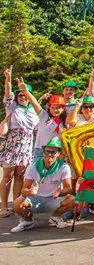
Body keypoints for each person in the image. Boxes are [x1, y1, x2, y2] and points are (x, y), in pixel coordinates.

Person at [9, 138, 73, 232]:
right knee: (17, 203)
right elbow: (24, 189)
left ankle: (55, 217)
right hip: (35, 199)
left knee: (73, 200)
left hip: (52, 199)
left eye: (53, 152)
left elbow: (69, 188)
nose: (49, 154)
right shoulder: (33, 166)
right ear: (43, 153)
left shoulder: (64, 167)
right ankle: (28, 221)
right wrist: (29, 192)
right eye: (47, 151)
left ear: (59, 153)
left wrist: (60, 192)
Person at [1, 72, 42, 219]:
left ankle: (15, 204)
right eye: (20, 95)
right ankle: (4, 206)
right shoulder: (12, 107)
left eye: (25, 95)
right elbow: (7, 93)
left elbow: (37, 128)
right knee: (7, 176)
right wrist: (8, 79)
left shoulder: (32, 111)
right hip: (13, 146)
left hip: (26, 147)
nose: (22, 97)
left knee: (20, 176)